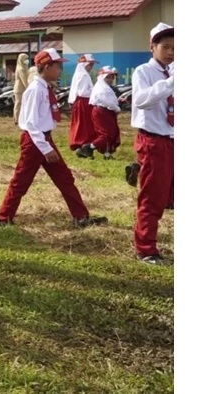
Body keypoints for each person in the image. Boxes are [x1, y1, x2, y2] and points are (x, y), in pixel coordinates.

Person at [0, 48, 108, 228]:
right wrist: (45, 148)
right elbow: (31, 123)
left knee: (64, 177)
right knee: (21, 180)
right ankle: (4, 217)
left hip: (44, 139)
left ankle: (81, 217)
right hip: (35, 141)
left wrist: (47, 145)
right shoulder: (35, 90)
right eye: (57, 66)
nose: (60, 70)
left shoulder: (45, 87)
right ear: (47, 67)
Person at [131, 23, 174, 265]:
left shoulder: (173, 71)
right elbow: (141, 100)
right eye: (165, 47)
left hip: (173, 138)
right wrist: (169, 83)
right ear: (152, 47)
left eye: (175, 48)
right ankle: (146, 248)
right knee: (152, 197)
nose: (171, 52)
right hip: (154, 141)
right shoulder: (143, 72)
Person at [77, 67, 121, 160]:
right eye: (108, 77)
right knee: (106, 134)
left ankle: (107, 154)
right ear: (102, 77)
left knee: (111, 133)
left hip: (105, 111)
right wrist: (117, 109)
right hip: (102, 112)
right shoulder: (102, 88)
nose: (111, 79)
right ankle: (89, 148)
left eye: (112, 77)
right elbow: (107, 102)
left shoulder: (104, 87)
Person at [68, 53, 97, 150]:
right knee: (84, 124)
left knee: (79, 123)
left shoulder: (79, 74)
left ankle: (78, 142)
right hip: (84, 102)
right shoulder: (84, 75)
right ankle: (83, 142)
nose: (91, 67)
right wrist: (94, 92)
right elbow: (83, 92)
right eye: (90, 65)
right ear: (84, 65)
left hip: (80, 102)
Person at [12, 53, 32, 125]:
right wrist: (29, 88)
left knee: (22, 104)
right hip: (19, 89)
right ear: (21, 60)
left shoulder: (24, 67)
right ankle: (16, 119)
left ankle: (21, 118)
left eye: (27, 58)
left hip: (23, 88)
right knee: (18, 103)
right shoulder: (20, 69)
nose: (27, 60)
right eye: (25, 59)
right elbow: (24, 79)